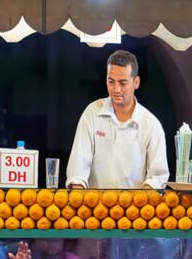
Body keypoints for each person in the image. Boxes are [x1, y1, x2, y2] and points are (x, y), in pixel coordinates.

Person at [66, 49, 168, 189]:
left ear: (136, 82)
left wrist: (142, 200)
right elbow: (77, 169)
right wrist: (78, 197)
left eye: (123, 83)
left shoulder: (151, 124)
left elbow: (157, 177)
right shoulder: (92, 113)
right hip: (94, 207)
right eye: (111, 82)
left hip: (135, 208)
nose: (116, 89)